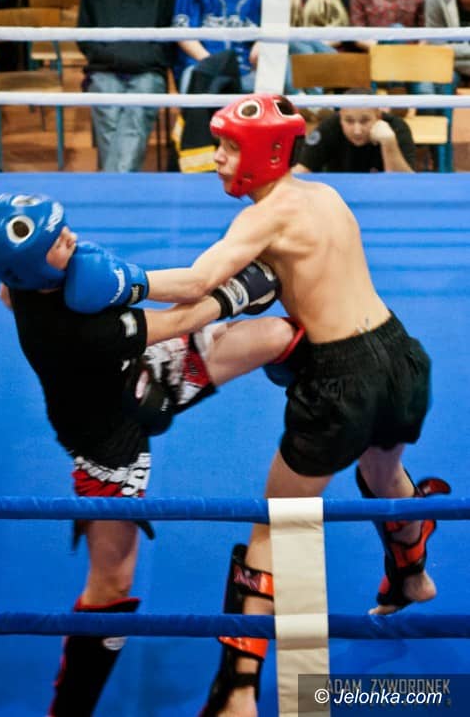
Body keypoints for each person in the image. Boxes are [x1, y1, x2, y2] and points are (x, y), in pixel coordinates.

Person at [113, 93, 448, 716]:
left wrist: (116, 285)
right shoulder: (324, 195)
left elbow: (195, 284)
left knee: (277, 523)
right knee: (382, 474)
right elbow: (266, 285)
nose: (217, 158)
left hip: (342, 378)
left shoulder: (261, 219)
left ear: (265, 153)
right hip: (401, 355)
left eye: (228, 147)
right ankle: (413, 573)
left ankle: (239, 693)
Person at [0, 191, 299, 717]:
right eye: (53, 239)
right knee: (112, 585)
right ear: (32, 266)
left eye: (61, 226)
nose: (68, 235)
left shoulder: (26, 284)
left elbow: (9, 294)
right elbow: (181, 317)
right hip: (107, 448)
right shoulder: (78, 331)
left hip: (141, 372)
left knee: (280, 336)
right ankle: (70, 709)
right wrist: (238, 292)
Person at [77, 0, 174, 172]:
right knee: (109, 116)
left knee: (136, 118)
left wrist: (142, 58)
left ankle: (112, 183)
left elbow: (169, 37)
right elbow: (84, 37)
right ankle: (121, 182)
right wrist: (112, 57)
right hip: (104, 68)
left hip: (148, 69)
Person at [172, 0, 262, 95]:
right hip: (201, 66)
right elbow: (183, 33)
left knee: (273, 82)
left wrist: (262, 43)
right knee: (195, 83)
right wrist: (214, 64)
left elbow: (274, 27)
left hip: (246, 70)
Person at [292, 89, 416, 173]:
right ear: (340, 116)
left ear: (378, 116)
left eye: (365, 121)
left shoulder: (397, 128)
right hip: (338, 198)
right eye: (349, 121)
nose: (357, 131)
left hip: (383, 197)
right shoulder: (330, 127)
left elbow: (406, 186)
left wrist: (389, 143)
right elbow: (300, 171)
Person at [350, 0, 425, 51]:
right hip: (375, 50)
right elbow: (358, 33)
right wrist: (383, 49)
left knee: (397, 29)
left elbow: (425, 28)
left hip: (410, 51)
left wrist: (416, 52)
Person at [424, 0, 470, 88]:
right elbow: (437, 48)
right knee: (441, 75)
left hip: (452, 60)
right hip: (447, 65)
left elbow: (444, 49)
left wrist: (450, 48)